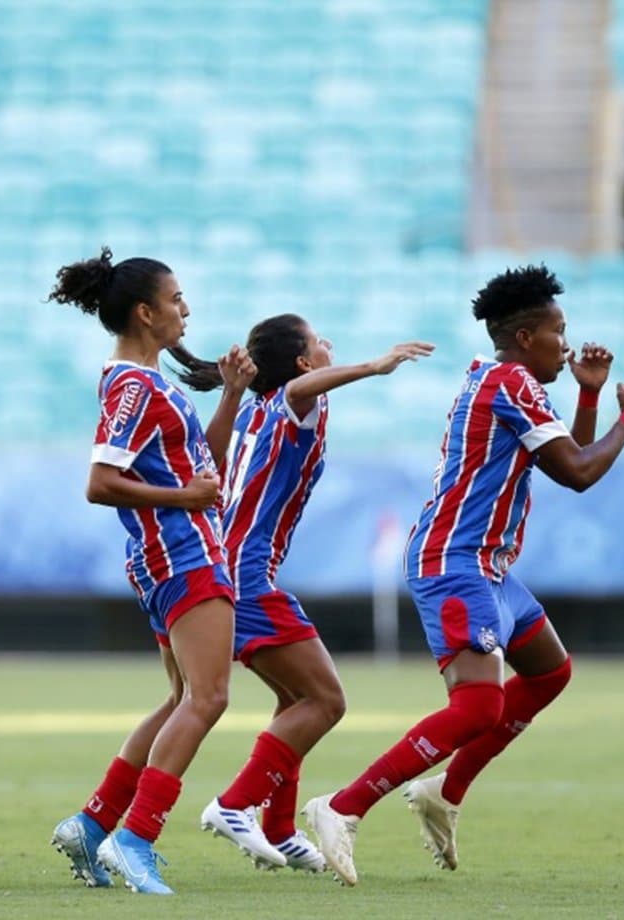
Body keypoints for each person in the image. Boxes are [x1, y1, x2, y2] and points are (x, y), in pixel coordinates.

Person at [302, 264, 624, 886]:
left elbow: (563, 462)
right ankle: (342, 805)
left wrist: (591, 394)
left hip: (486, 566)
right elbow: (576, 472)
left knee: (549, 671)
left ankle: (445, 791)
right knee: (478, 707)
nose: (566, 345)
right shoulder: (511, 385)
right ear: (525, 338)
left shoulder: (503, 379)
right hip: (453, 563)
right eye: (558, 332)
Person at [169, 315, 433, 872]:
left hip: (230, 571)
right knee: (327, 701)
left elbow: (295, 385)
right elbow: (298, 389)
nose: (327, 344)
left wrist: (326, 364)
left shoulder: (261, 409)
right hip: (245, 578)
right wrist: (373, 366)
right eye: (318, 342)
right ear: (302, 363)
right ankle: (235, 803)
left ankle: (281, 827)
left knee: (295, 700)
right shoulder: (291, 403)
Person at [47, 247, 256, 895]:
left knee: (181, 699)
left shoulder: (149, 382)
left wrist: (231, 396)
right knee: (209, 697)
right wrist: (184, 502)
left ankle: (94, 824)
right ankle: (135, 838)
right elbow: (100, 482)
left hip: (174, 550)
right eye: (175, 299)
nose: (185, 309)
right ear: (145, 312)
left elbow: (202, 466)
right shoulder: (133, 386)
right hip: (180, 552)